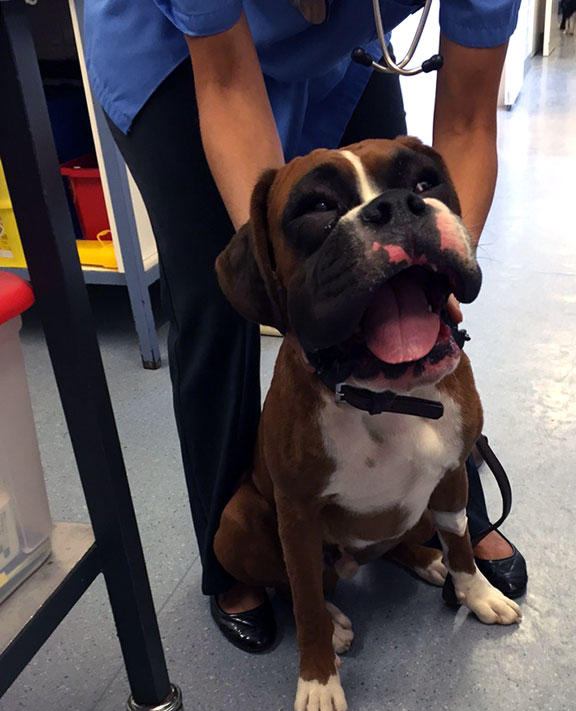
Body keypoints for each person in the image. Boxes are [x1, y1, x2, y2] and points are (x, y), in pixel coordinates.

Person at [84, 0, 528, 653]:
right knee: (218, 300)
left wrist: (440, 263)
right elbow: (230, 86)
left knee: (408, 239)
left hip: (343, 42)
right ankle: (233, 564)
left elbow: (464, 120)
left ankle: (451, 516)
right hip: (178, 55)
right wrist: (288, 288)